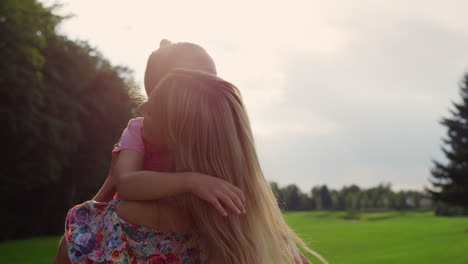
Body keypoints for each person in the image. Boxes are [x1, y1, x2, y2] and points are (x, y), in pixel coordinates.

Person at [61, 69, 327, 263]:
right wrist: (192, 180)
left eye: (153, 110)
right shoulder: (234, 240)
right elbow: (127, 184)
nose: (141, 105)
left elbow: (125, 184)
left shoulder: (94, 230)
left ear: (176, 134)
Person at [54, 40, 247, 263]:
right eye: (203, 77)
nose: (213, 85)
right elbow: (124, 183)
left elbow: (245, 198)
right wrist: (191, 181)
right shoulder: (139, 129)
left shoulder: (215, 133)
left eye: (214, 76)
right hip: (131, 232)